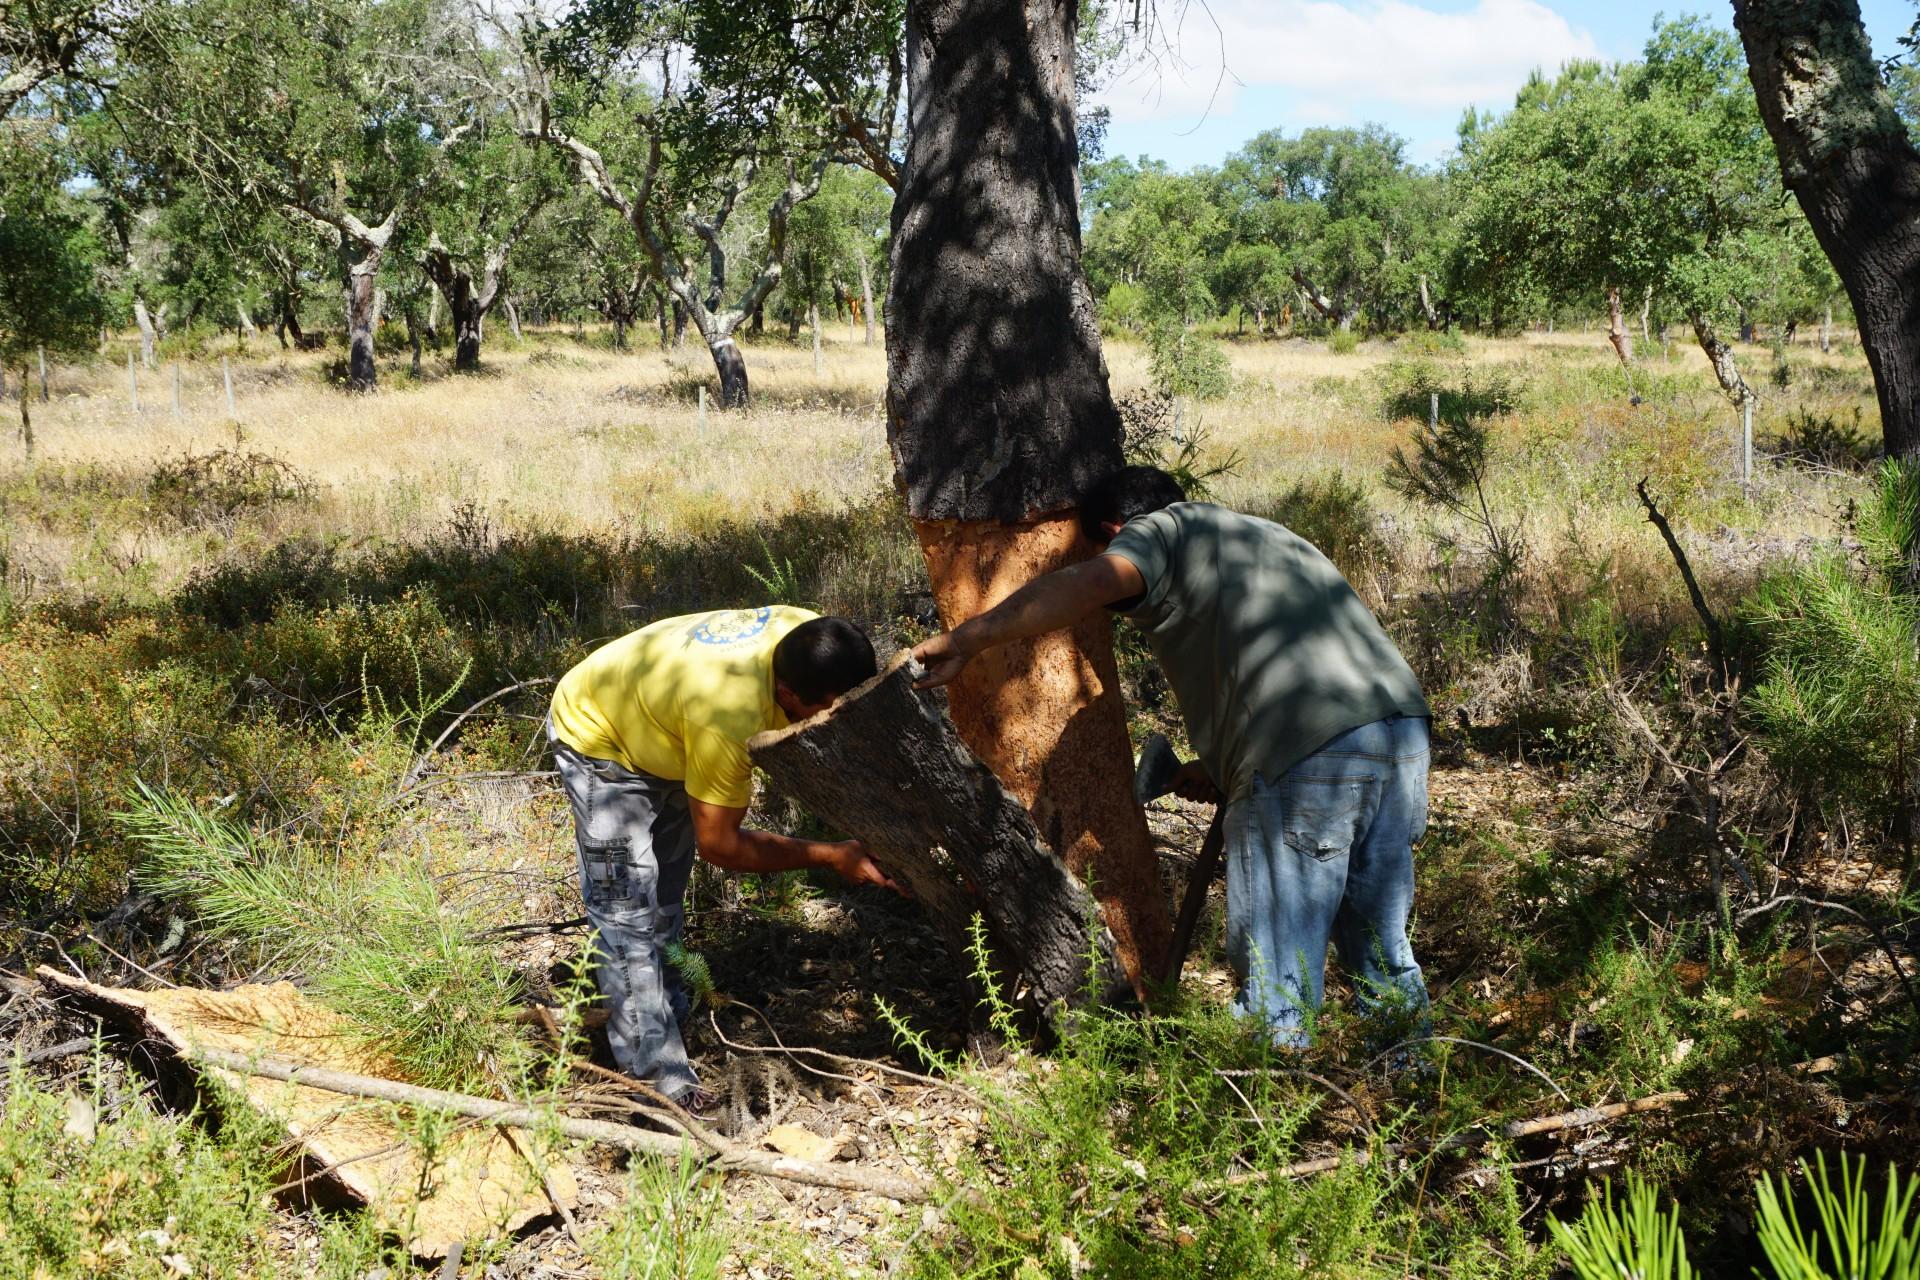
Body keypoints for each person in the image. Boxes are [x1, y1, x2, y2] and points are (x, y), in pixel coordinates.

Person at [912, 467, 1431, 1046]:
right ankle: (1408, 1092)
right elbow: (1294, 657)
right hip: (1398, 737)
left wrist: (963, 641)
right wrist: (1223, 766)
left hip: (1304, 749)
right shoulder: (1263, 539)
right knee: (1382, 957)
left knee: (1277, 985)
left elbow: (1091, 584)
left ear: (1115, 530)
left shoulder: (1160, 531)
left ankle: (1260, 1118)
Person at [549, 606, 903, 1103]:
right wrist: (829, 855)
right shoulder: (727, 718)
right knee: (626, 915)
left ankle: (665, 1006)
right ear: (786, 695)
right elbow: (721, 846)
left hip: (663, 722)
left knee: (665, 896)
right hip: (600, 738)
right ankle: (660, 1086)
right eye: (825, 713)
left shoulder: (812, 640)